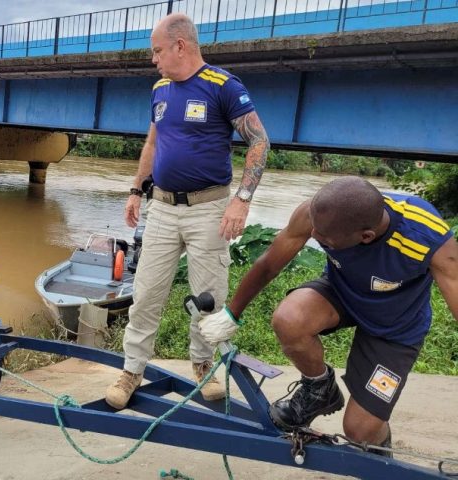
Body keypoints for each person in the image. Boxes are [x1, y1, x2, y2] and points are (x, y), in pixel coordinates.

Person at [198, 176, 458, 453]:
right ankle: (319, 389)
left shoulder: (426, 237)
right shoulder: (318, 213)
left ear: (365, 237)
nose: (314, 234)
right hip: (341, 293)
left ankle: (382, 453)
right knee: (289, 319)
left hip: (395, 325)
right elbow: (269, 264)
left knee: (360, 431)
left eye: (324, 240)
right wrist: (231, 313)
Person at [105, 13, 270, 409]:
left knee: (207, 298)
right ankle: (131, 371)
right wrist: (135, 190)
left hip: (208, 209)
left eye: (157, 50)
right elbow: (152, 144)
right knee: (145, 294)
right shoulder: (160, 89)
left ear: (180, 46)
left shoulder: (223, 86)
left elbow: (259, 141)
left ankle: (203, 366)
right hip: (162, 208)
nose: (153, 59)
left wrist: (241, 199)